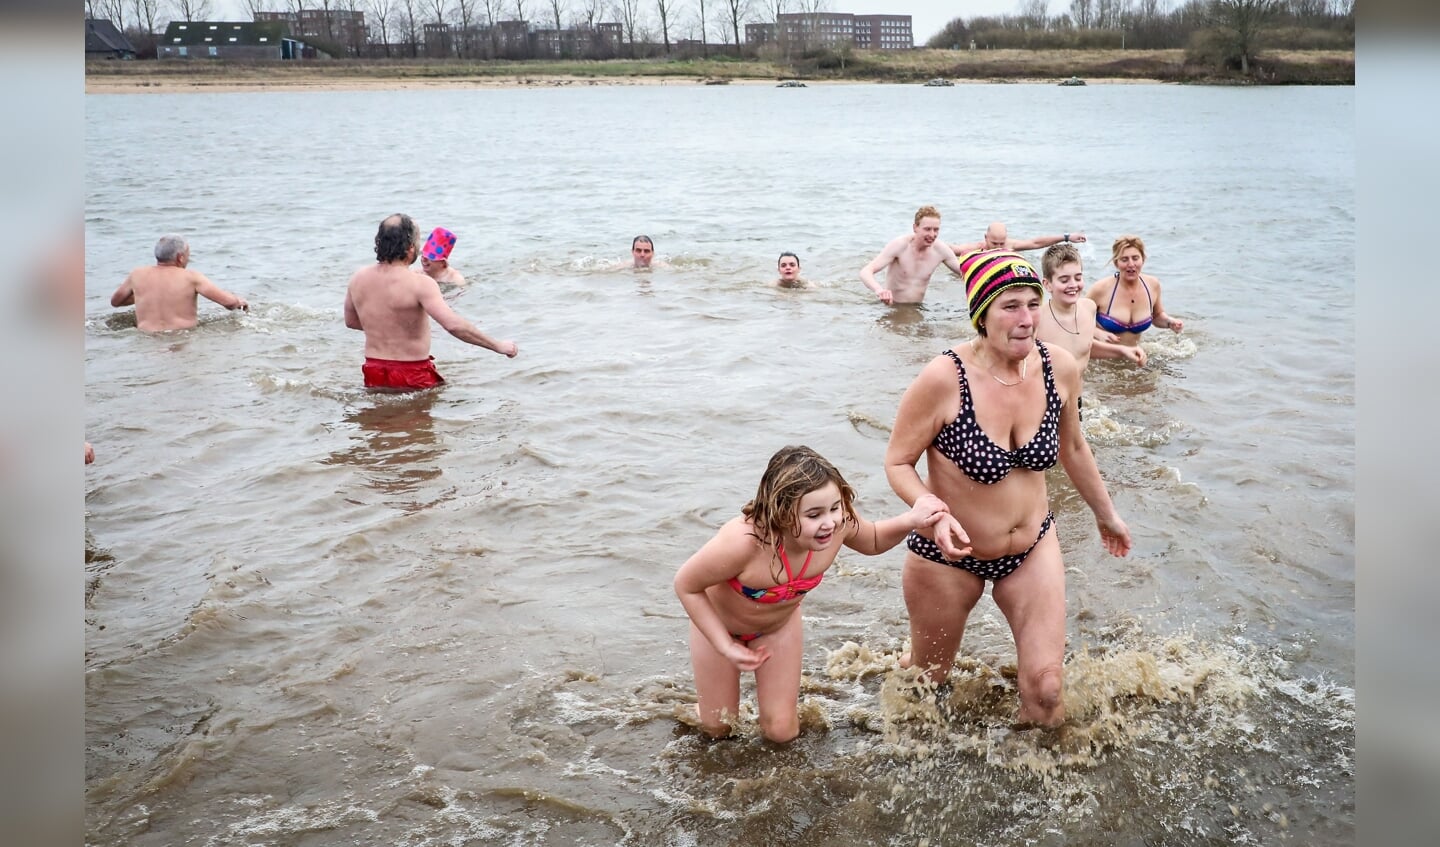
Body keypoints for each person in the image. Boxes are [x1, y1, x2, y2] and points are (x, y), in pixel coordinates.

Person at [884, 250, 1131, 728]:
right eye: (1010, 306)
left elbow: (1073, 448)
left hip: (1033, 547)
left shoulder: (1058, 367)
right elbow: (897, 461)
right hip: (948, 555)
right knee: (925, 683)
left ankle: (1040, 790)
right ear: (981, 314)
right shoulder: (943, 378)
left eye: (1032, 305)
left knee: (1047, 691)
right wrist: (932, 511)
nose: (1027, 319)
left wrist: (1106, 513)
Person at [674, 445, 949, 744]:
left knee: (781, 732)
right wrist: (725, 645)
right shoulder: (745, 543)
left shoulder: (837, 527)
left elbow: (871, 539)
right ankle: (696, 706)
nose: (829, 522)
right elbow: (686, 585)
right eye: (814, 514)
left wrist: (912, 519)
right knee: (718, 729)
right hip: (718, 628)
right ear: (780, 510)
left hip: (776, 629)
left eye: (834, 507)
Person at [343, 213, 517, 391]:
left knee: (381, 417)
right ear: (411, 248)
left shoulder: (358, 278)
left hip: (373, 370)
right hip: (412, 372)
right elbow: (453, 325)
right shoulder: (421, 283)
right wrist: (498, 346)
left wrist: (388, 328)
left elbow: (351, 322)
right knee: (419, 418)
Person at [1035, 244, 1147, 388]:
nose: (1073, 285)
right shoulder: (1037, 320)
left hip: (1077, 399)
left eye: (1078, 277)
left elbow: (1083, 347)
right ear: (1048, 284)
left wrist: (1123, 350)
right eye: (1064, 280)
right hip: (1050, 400)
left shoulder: (1088, 308)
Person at [109, 234, 249, 332]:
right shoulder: (191, 277)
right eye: (188, 255)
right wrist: (239, 301)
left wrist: (144, 295)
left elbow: (116, 302)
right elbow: (229, 303)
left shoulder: (137, 274)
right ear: (180, 258)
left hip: (147, 339)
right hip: (181, 337)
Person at [1085, 235, 1183, 347]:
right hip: (1103, 361)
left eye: (1135, 258)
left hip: (1134, 359)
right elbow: (1075, 319)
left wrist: (1170, 322)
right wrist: (1097, 333)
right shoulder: (1101, 289)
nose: (1131, 264)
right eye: (1124, 259)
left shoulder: (1152, 285)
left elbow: (1157, 316)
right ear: (1116, 263)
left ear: (1143, 259)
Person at [859, 205, 964, 305]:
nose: (932, 235)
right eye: (927, 229)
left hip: (917, 308)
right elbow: (865, 272)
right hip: (892, 306)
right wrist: (879, 290)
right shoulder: (900, 246)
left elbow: (964, 272)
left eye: (936, 230)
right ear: (915, 228)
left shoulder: (941, 250)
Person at [948, 221, 1086, 256]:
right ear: (986, 238)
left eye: (1001, 243)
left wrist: (1067, 237)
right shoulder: (978, 247)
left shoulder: (1010, 245)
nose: (998, 247)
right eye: (994, 243)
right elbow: (953, 249)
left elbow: (1036, 243)